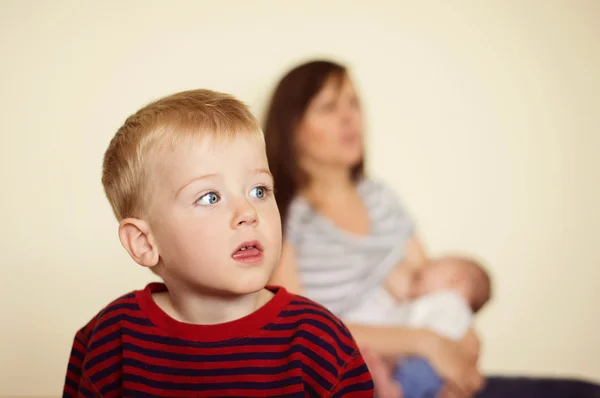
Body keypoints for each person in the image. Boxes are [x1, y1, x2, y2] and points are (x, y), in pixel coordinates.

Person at [62, 89, 374, 397]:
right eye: (210, 197)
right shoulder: (109, 342)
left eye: (259, 191)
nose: (248, 213)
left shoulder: (320, 341)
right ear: (144, 242)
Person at [263, 59, 484, 398]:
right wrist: (424, 341)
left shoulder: (380, 198)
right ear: (292, 126)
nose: (349, 117)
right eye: (328, 107)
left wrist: (463, 338)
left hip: (413, 365)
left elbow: (431, 285)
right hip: (345, 368)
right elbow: (295, 328)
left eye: (354, 102)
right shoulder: (284, 213)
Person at [350, 256, 492, 398]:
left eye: (434, 264)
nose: (422, 269)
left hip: (430, 365)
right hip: (413, 356)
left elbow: (439, 336)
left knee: (421, 373)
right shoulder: (429, 301)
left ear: (457, 280)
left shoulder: (451, 302)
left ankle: (394, 390)